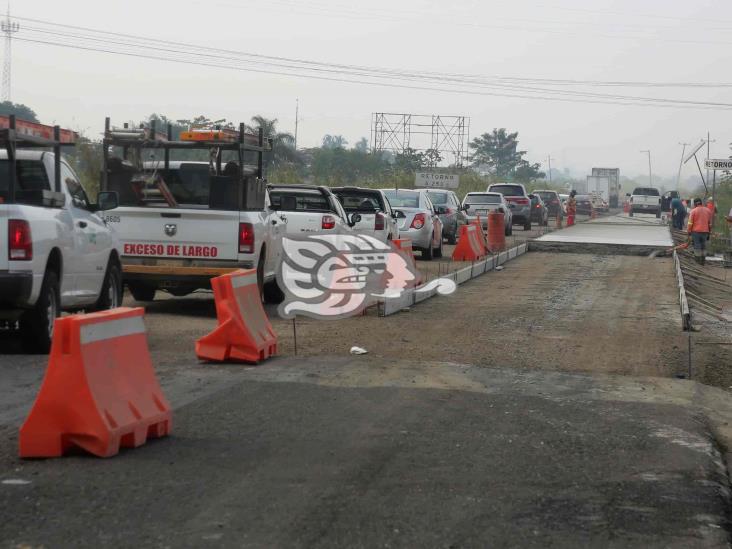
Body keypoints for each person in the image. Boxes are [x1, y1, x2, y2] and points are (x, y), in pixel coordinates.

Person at [687, 198, 713, 265]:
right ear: (701, 203)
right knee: (703, 246)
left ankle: (698, 261)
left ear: (695, 204)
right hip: (705, 231)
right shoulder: (708, 211)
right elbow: (709, 223)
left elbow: (690, 223)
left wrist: (689, 232)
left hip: (696, 232)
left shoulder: (693, 211)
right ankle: (703, 261)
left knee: (697, 246)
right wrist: (709, 232)